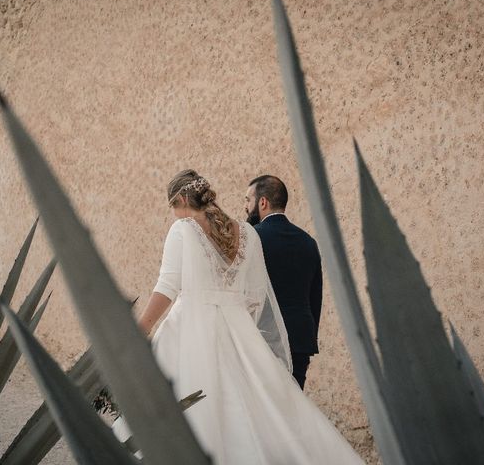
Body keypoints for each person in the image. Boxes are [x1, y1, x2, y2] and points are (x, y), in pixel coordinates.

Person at [123, 169, 363, 465]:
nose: (173, 214)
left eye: (172, 206)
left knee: (191, 413)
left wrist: (138, 332)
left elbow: (166, 288)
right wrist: (241, 329)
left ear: (182, 199)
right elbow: (255, 296)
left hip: (191, 332)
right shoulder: (248, 233)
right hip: (240, 331)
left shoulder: (183, 229)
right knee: (257, 412)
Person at [245, 175, 322, 389]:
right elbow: (315, 297)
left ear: (262, 202)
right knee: (296, 406)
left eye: (247, 200)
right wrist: (308, 336)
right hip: (300, 340)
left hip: (264, 339)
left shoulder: (252, 238)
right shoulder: (308, 242)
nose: (245, 207)